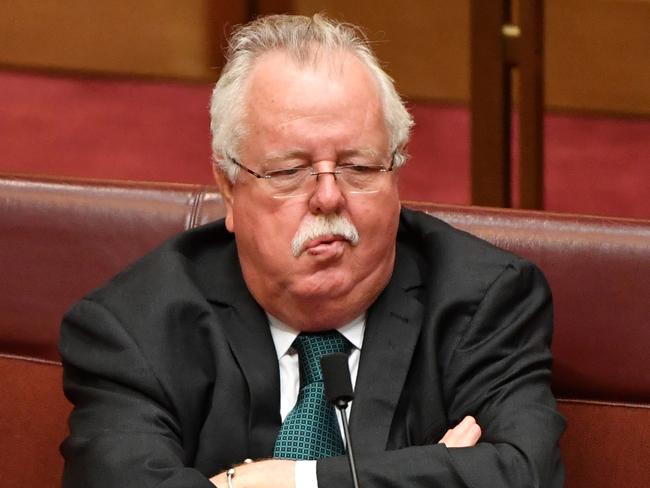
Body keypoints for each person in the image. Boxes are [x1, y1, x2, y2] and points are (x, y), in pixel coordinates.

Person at [60, 14, 564, 488]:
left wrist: (296, 480)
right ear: (230, 189)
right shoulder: (134, 327)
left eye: (359, 167)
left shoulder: (485, 301)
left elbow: (523, 472)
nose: (327, 197)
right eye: (289, 172)